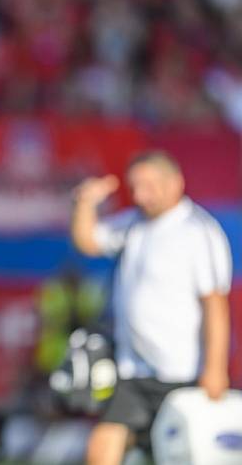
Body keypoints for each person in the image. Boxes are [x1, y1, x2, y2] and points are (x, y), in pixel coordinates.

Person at [70, 151, 232, 465]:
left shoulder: (197, 231)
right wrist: (85, 204)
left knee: (182, 455)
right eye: (135, 186)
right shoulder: (134, 224)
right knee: (102, 446)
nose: (140, 194)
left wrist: (215, 369)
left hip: (182, 373)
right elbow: (89, 241)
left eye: (149, 185)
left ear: (176, 183)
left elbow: (216, 306)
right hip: (134, 370)